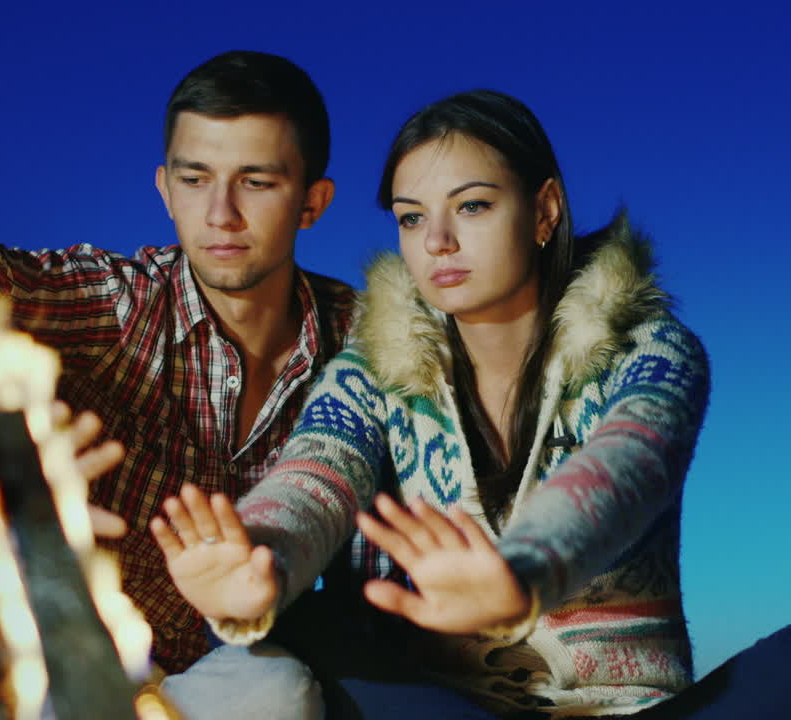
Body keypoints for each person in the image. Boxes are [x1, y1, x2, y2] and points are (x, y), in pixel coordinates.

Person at [152, 89, 791, 718]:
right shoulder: (374, 367)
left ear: (544, 211)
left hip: (625, 709)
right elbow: (319, 471)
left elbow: (628, 462)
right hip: (443, 705)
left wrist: (523, 572)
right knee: (307, 620)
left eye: (473, 206)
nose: (438, 242)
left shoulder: (651, 349)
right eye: (411, 217)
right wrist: (262, 554)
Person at [0, 50, 355, 718]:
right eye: (195, 179)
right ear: (165, 189)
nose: (220, 214)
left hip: (213, 665)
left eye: (257, 182)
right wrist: (0, 422)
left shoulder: (354, 338)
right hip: (53, 659)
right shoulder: (119, 305)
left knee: (280, 694)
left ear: (312, 202)